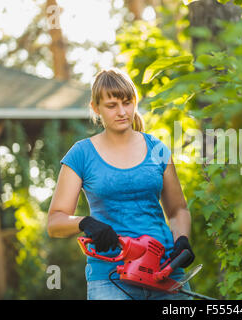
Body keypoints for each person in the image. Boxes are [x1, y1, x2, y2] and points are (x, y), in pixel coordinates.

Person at [47, 68, 195, 300]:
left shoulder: (157, 149)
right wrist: (86, 222)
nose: (122, 112)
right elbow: (55, 221)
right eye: (112, 105)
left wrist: (182, 240)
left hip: (165, 271)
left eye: (127, 103)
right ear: (96, 108)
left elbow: (178, 210)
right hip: (110, 278)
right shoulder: (81, 154)